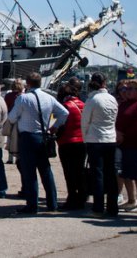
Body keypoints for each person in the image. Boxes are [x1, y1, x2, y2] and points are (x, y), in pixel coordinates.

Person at [7, 72, 68, 214]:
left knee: (29, 172)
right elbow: (64, 112)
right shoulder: (49, 97)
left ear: (27, 84)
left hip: (28, 137)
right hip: (43, 136)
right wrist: (55, 126)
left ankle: (32, 205)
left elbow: (11, 117)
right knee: (46, 170)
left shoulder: (23, 98)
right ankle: (52, 203)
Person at [82, 72, 119, 217]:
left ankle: (98, 207)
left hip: (95, 139)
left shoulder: (92, 100)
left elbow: (85, 122)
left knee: (97, 173)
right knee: (111, 174)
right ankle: (112, 207)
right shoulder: (112, 99)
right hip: (111, 139)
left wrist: (86, 138)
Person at [115, 79, 137, 214]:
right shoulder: (126, 104)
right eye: (125, 89)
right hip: (123, 144)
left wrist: (124, 134)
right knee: (125, 174)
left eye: (130, 89)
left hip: (135, 145)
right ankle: (131, 200)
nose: (126, 91)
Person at [56, 78, 87, 210]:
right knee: (79, 171)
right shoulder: (83, 104)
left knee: (69, 173)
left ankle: (72, 198)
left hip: (67, 142)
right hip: (82, 142)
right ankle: (81, 197)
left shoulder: (65, 106)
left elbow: (56, 125)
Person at [4, 79, 24, 164]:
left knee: (10, 138)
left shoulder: (8, 96)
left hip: (10, 119)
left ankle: (10, 158)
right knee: (19, 139)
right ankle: (18, 158)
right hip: (21, 120)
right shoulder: (23, 95)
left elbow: (6, 108)